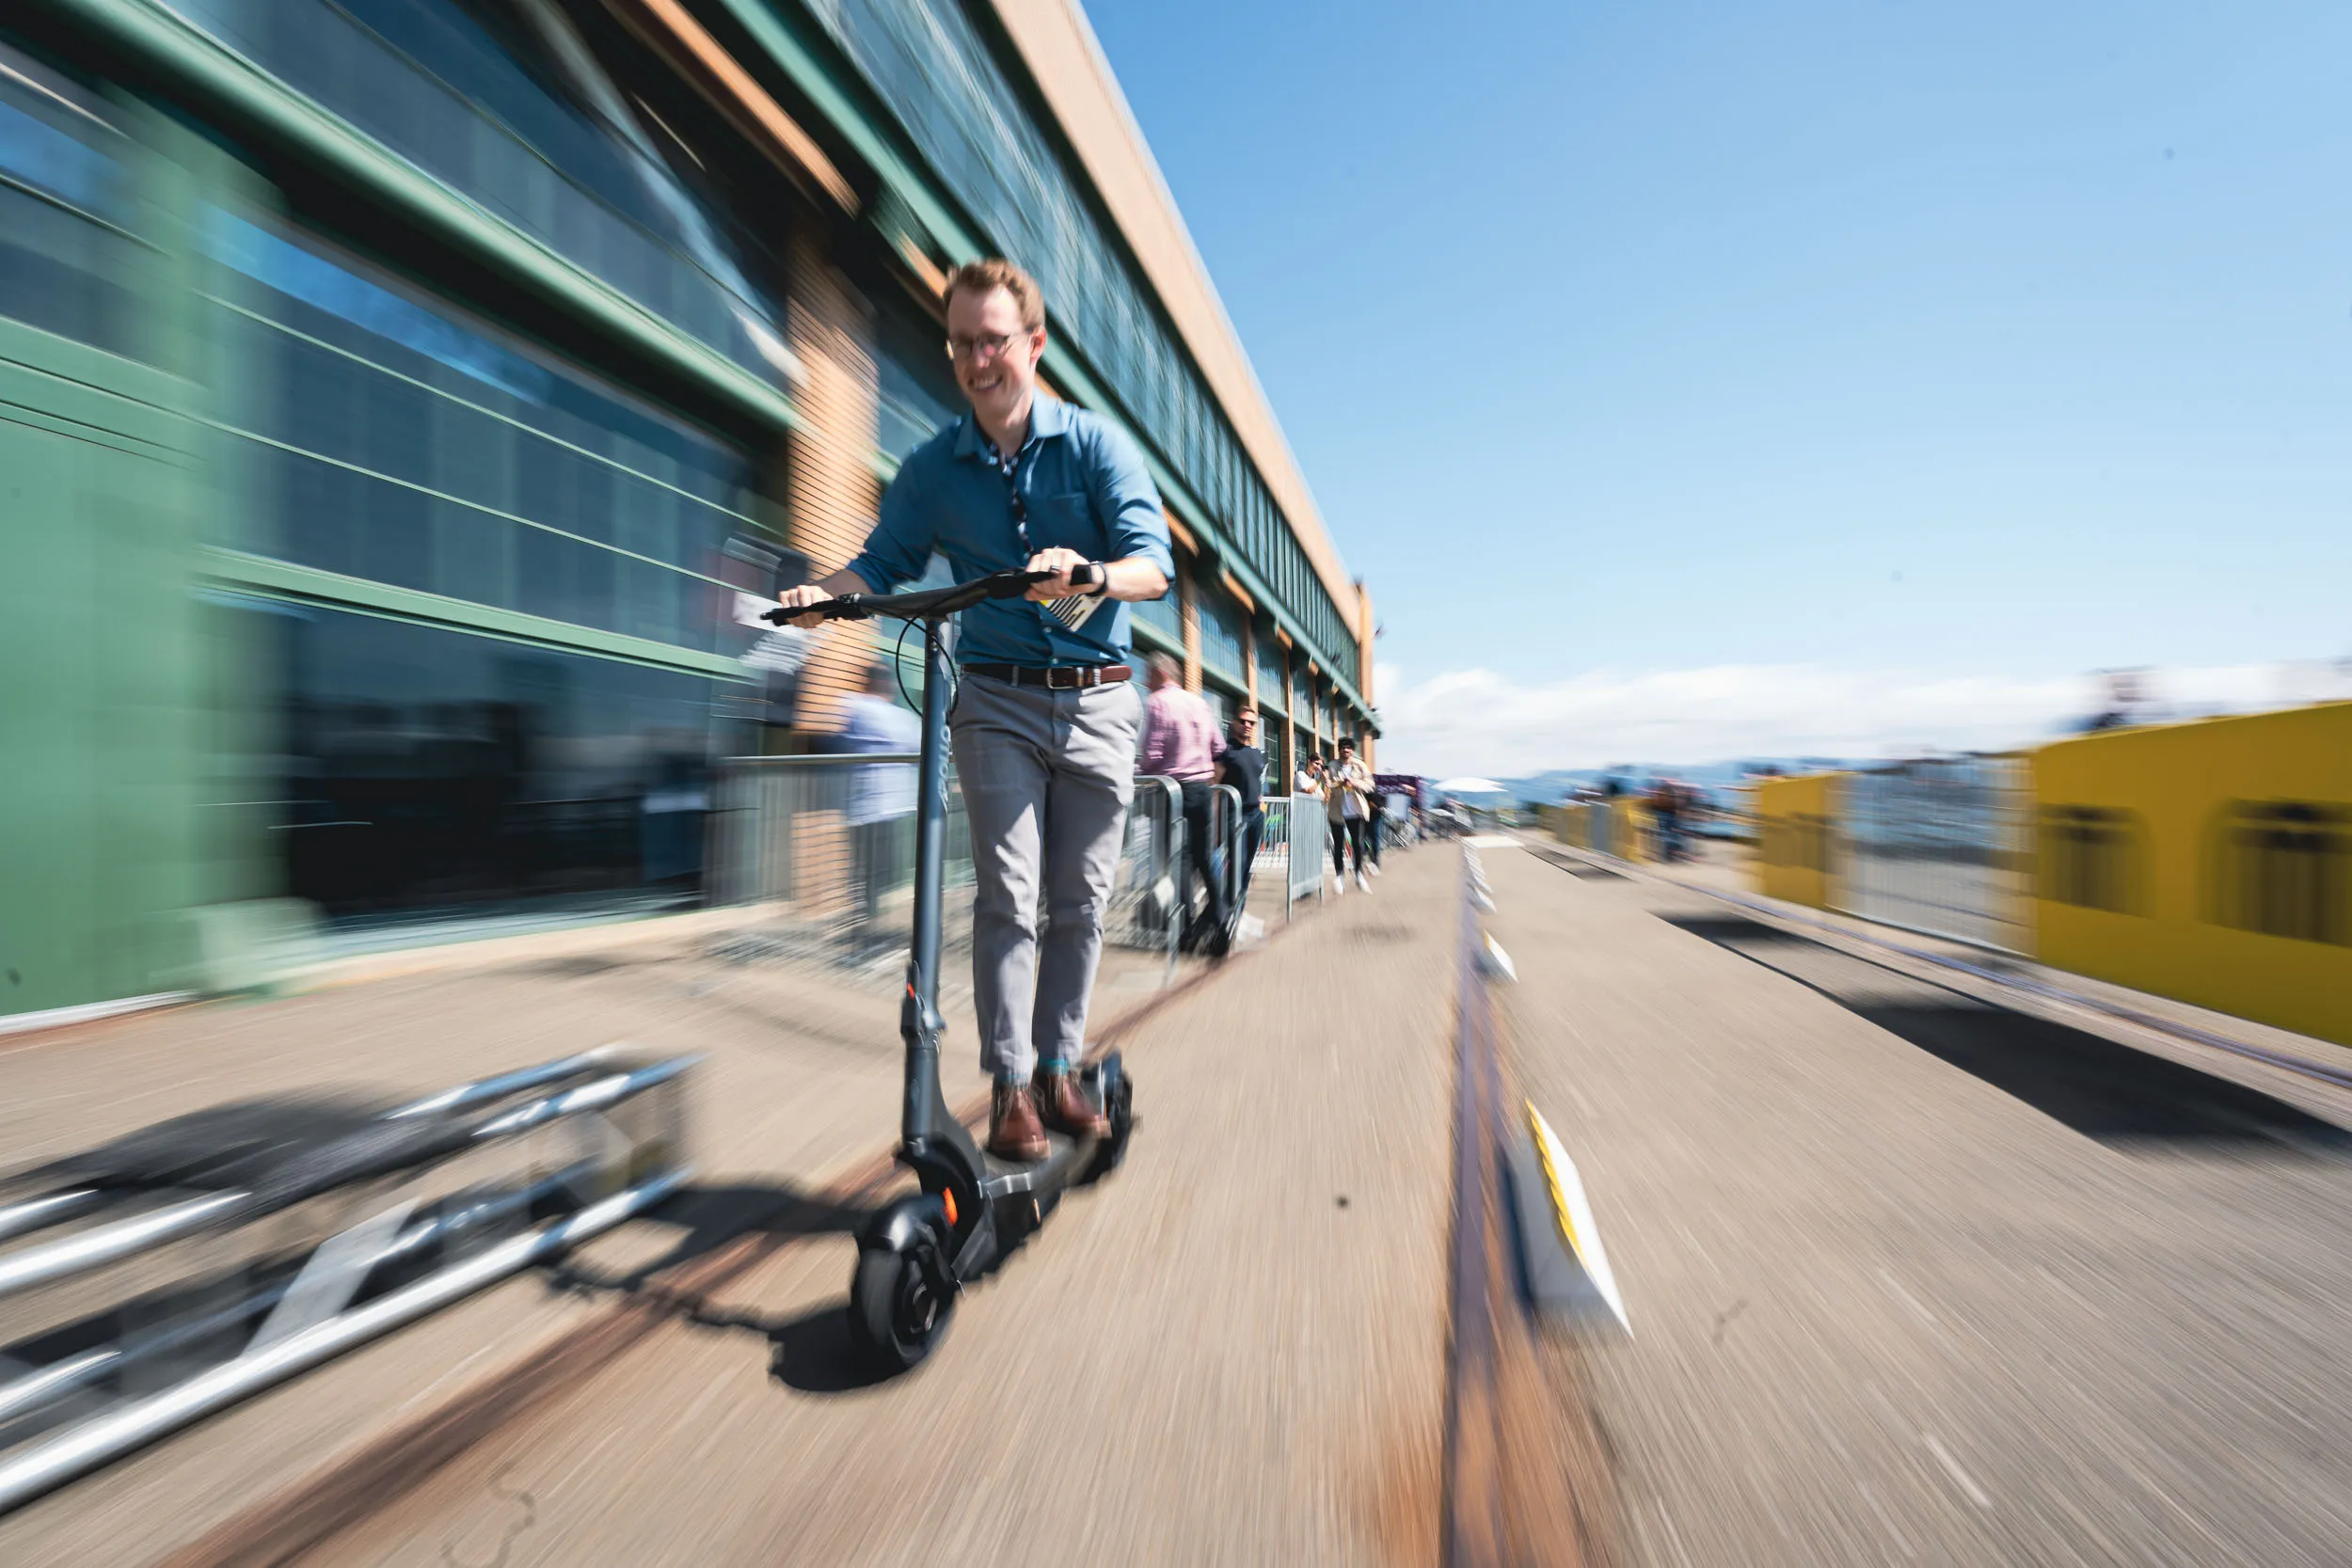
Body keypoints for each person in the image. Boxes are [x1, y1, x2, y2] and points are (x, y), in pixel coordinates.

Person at [775, 258, 1173, 1164]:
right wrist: (815, 597)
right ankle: (1007, 1088)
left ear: (1032, 344)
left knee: (1079, 901)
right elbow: (879, 565)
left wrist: (1092, 575)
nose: (974, 358)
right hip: (993, 701)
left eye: (992, 339)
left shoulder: (1097, 448)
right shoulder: (932, 468)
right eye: (960, 342)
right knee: (1007, 892)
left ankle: (1058, 1066)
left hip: (1102, 700)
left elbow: (1154, 566)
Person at [1138, 653, 1230, 958]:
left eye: (1147, 675)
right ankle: (1219, 918)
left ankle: (1187, 930)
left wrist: (1139, 772)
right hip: (1201, 789)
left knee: (1177, 862)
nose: (1144, 681)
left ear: (1160, 674)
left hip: (1172, 790)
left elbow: (1152, 752)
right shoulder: (1200, 703)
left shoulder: (1156, 702)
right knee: (1202, 857)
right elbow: (1218, 746)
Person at [840, 662, 922, 944]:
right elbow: (920, 744)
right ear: (886, 685)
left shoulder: (852, 708)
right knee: (877, 872)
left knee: (866, 869)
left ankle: (866, 921)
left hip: (865, 806)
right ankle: (867, 926)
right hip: (885, 806)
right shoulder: (893, 717)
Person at [1219, 708, 1267, 907]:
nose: (1247, 725)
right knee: (1235, 865)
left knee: (1247, 865)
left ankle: (1239, 908)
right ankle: (1226, 911)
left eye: (1251, 723)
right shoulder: (1226, 751)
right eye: (1243, 721)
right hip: (1235, 816)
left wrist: (1261, 802)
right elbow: (1215, 783)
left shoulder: (1257, 753)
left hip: (1256, 815)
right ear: (1234, 723)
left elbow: (1257, 781)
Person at [1327, 737, 1374, 894]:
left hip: (1356, 810)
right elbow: (1328, 784)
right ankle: (1339, 875)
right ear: (1339, 749)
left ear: (1352, 750)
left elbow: (1370, 785)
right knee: (1338, 845)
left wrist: (1355, 783)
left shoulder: (1360, 765)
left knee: (1358, 844)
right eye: (1343, 747)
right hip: (1337, 810)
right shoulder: (1332, 765)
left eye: (1348, 748)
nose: (1346, 750)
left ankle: (1359, 874)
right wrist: (1337, 783)